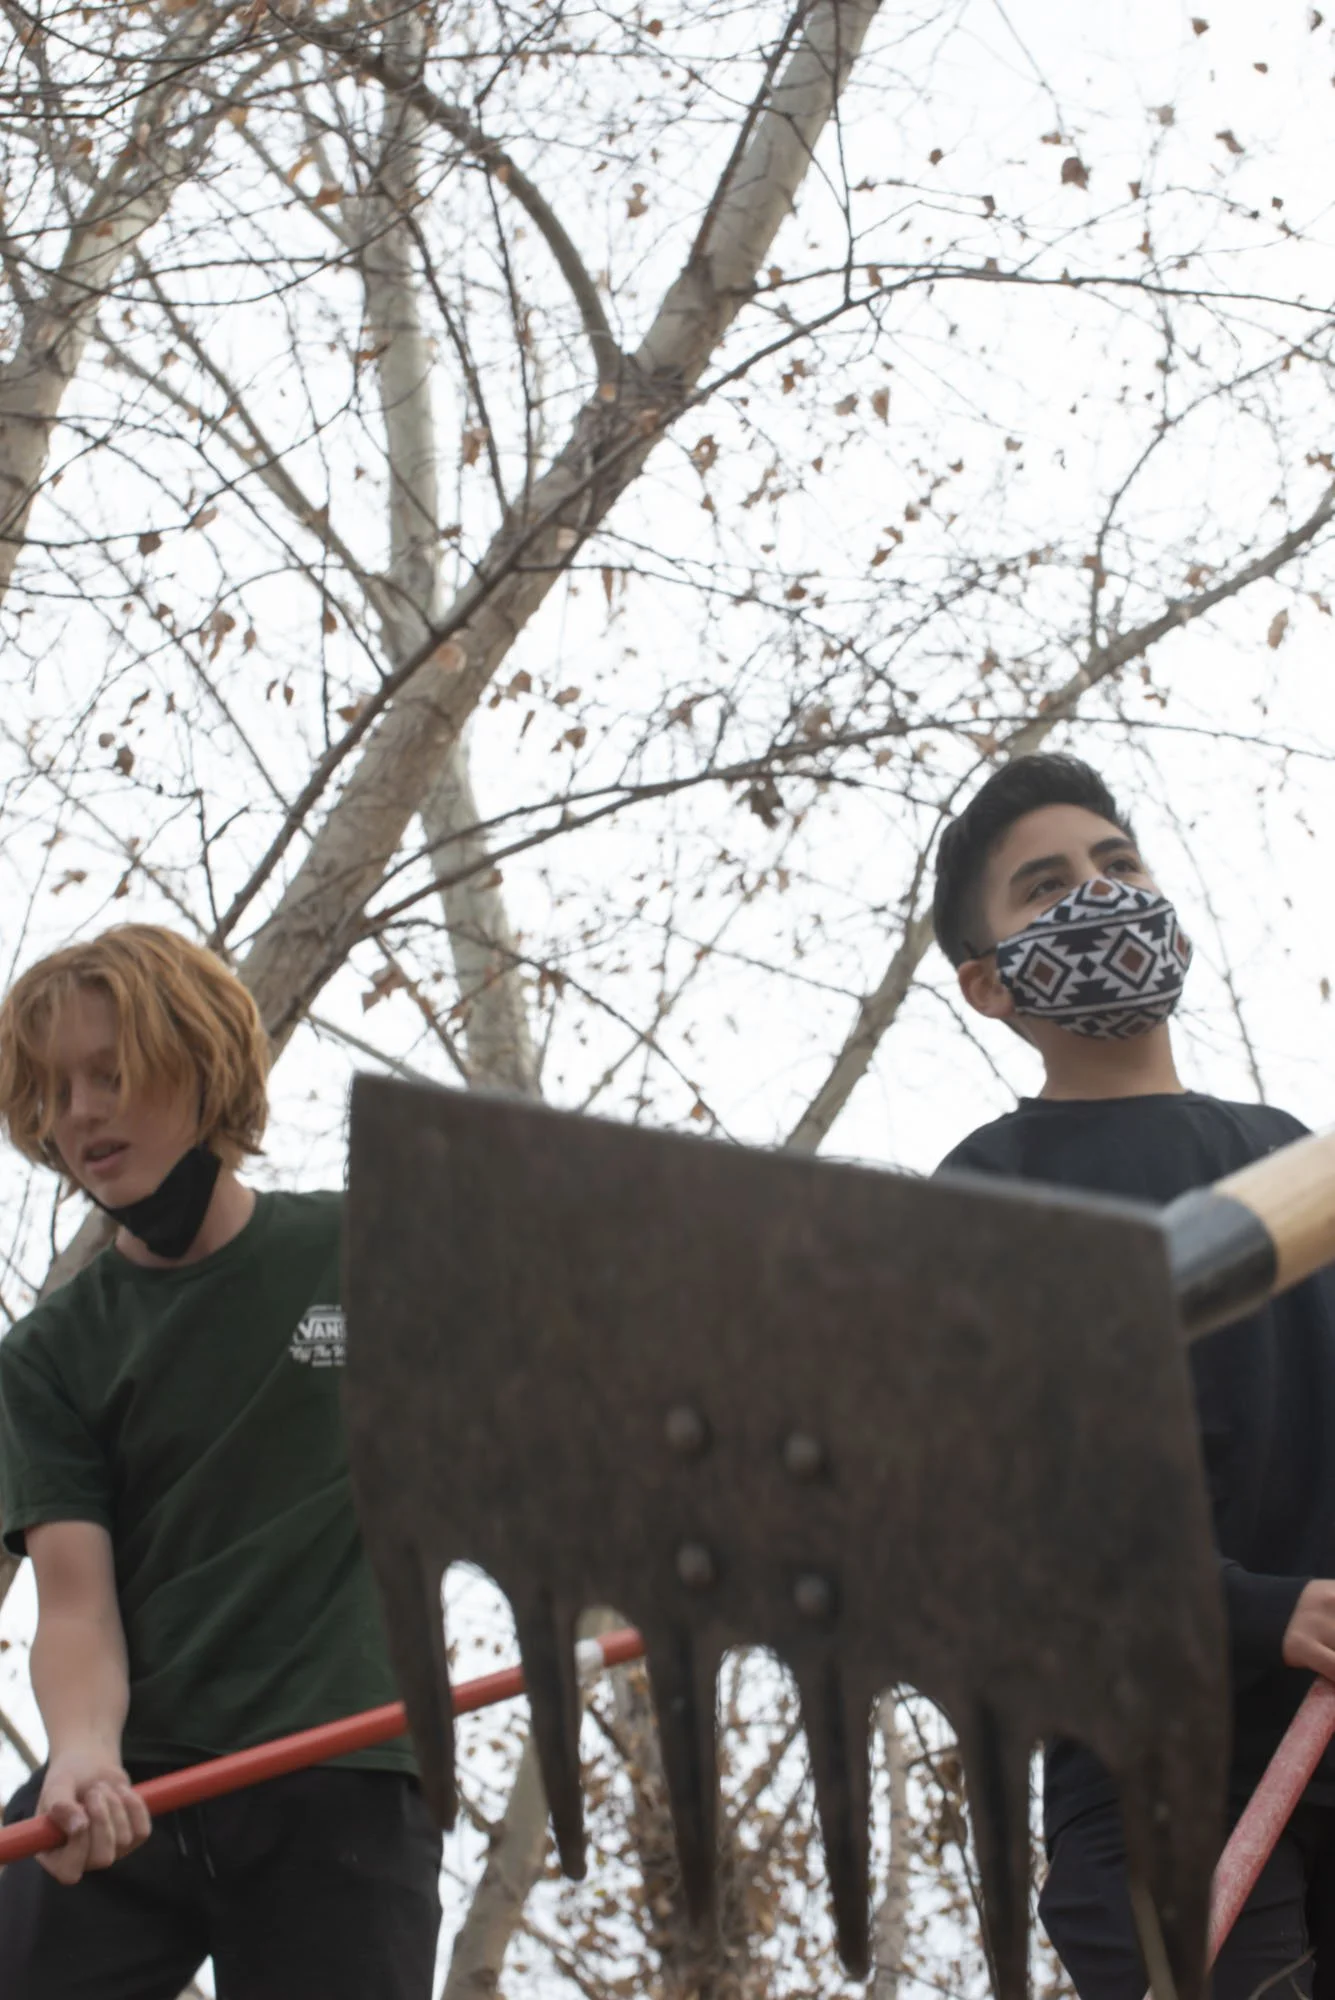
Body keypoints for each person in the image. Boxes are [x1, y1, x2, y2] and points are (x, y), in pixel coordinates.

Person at [933, 752, 1335, 2000]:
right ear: (989, 982)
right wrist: (1259, 1609)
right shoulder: (988, 1197)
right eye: (1046, 884)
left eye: (1118, 864)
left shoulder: (1295, 1166)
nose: (1099, 894)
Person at [0, 925, 441, 1999]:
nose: (84, 1111)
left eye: (110, 1071)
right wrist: (84, 1751)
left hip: (344, 1767)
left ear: (200, 1065)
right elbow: (72, 1601)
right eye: (56, 1091)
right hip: (132, 1779)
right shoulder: (51, 1354)